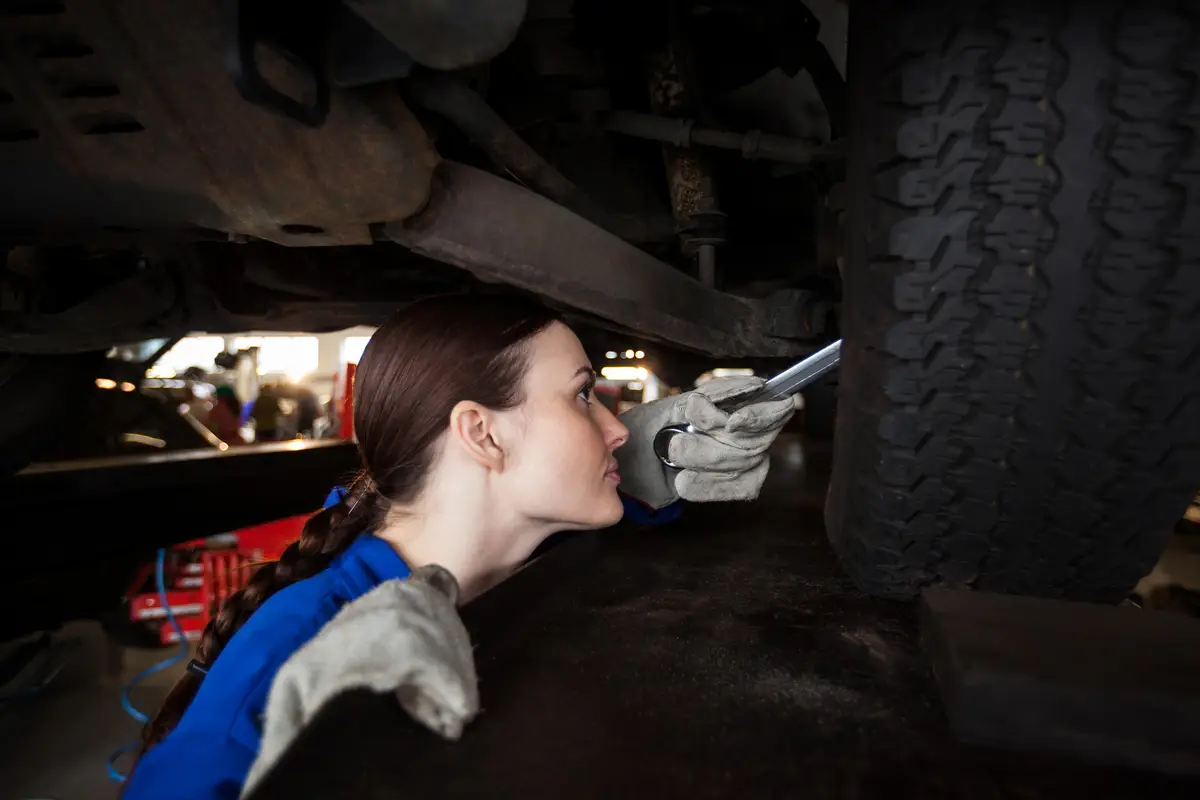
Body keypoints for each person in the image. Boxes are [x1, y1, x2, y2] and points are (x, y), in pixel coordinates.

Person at [122, 294, 798, 799]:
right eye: (585, 396)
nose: (617, 429)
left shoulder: (529, 558)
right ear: (482, 435)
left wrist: (648, 489)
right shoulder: (295, 650)